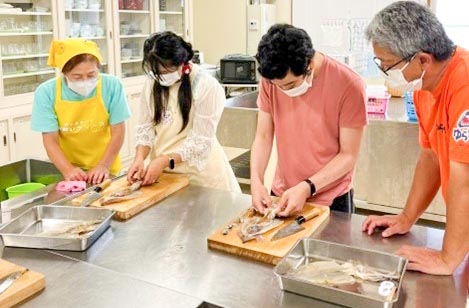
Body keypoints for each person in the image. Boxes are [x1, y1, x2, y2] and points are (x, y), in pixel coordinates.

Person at [362, 1, 469, 275]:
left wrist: (448, 257)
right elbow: (431, 155)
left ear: (422, 60)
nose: (385, 74)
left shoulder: (465, 84)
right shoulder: (424, 87)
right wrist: (407, 217)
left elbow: (465, 180)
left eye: (388, 65)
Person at [251, 24, 367, 216]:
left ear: (309, 65)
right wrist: (256, 181)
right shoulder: (272, 77)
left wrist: (308, 187)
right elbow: (263, 136)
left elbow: (348, 155)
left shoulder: (349, 85)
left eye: (290, 85)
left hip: (331, 197)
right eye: (277, 85)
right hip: (283, 192)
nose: (283, 91)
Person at [126, 31, 240, 192]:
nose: (161, 77)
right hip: (162, 172)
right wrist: (139, 158)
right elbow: (146, 128)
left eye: (166, 72)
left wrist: (164, 160)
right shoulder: (152, 82)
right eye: (156, 72)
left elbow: (200, 142)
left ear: (182, 62)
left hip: (199, 174)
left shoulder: (205, 85)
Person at [32, 39, 130, 184]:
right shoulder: (47, 92)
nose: (85, 81)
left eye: (91, 75)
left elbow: (118, 132)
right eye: (77, 77)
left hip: (106, 167)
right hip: (68, 168)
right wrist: (68, 170)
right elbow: (50, 140)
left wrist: (103, 166)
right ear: (64, 73)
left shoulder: (112, 86)